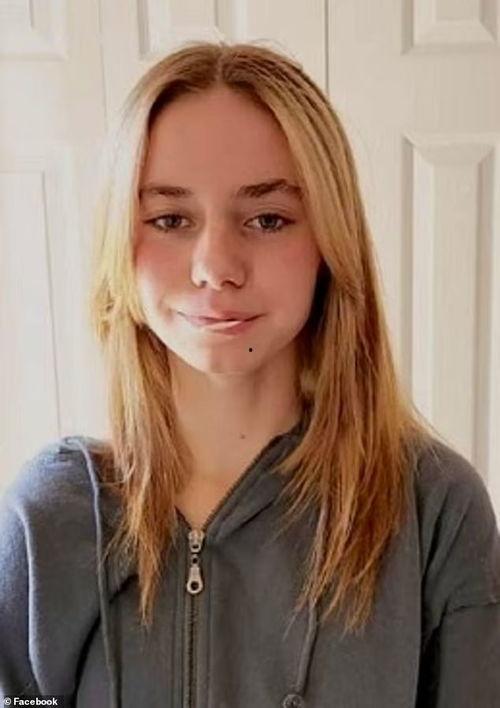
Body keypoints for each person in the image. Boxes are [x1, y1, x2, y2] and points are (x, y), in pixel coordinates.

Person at [1, 40, 499, 708]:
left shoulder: (434, 510)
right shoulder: (46, 519)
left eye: (267, 219)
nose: (216, 266)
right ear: (122, 245)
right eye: (170, 219)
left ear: (329, 242)